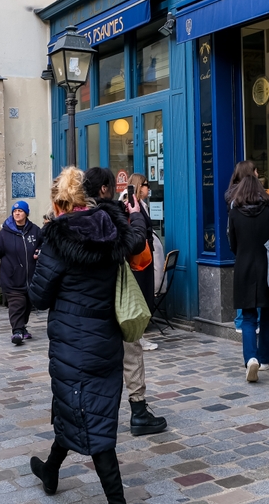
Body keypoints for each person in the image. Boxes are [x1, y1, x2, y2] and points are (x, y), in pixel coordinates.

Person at [28, 167, 145, 503]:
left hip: (73, 347)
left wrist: (39, 264)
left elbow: (38, 298)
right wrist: (136, 215)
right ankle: (50, 470)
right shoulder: (110, 228)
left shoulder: (57, 239)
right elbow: (136, 240)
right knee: (80, 409)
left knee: (92, 424)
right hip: (105, 341)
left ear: (59, 202)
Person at [83, 167, 167, 437]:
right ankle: (139, 412)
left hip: (87, 304)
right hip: (115, 296)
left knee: (94, 358)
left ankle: (92, 415)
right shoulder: (108, 217)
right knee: (131, 351)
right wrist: (135, 215)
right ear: (104, 189)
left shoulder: (73, 218)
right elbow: (135, 243)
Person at [226, 160, 269, 383]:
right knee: (268, 314)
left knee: (249, 316)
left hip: (244, 267)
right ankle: (266, 358)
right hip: (268, 267)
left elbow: (232, 243)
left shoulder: (235, 211)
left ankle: (251, 358)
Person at [0, 200, 42, 345]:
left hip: (31, 278)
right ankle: (17, 332)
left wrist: (40, 251)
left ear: (26, 213)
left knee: (27, 305)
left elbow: (44, 244)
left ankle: (22, 327)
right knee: (17, 304)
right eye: (15, 211)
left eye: (20, 211)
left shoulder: (35, 231)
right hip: (12, 278)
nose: (17, 213)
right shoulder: (4, 234)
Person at [121, 173, 159, 352]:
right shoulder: (129, 204)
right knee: (140, 296)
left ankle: (139, 336)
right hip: (136, 258)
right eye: (145, 184)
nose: (148, 188)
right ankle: (138, 337)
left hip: (144, 256)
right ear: (137, 185)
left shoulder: (141, 204)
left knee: (145, 294)